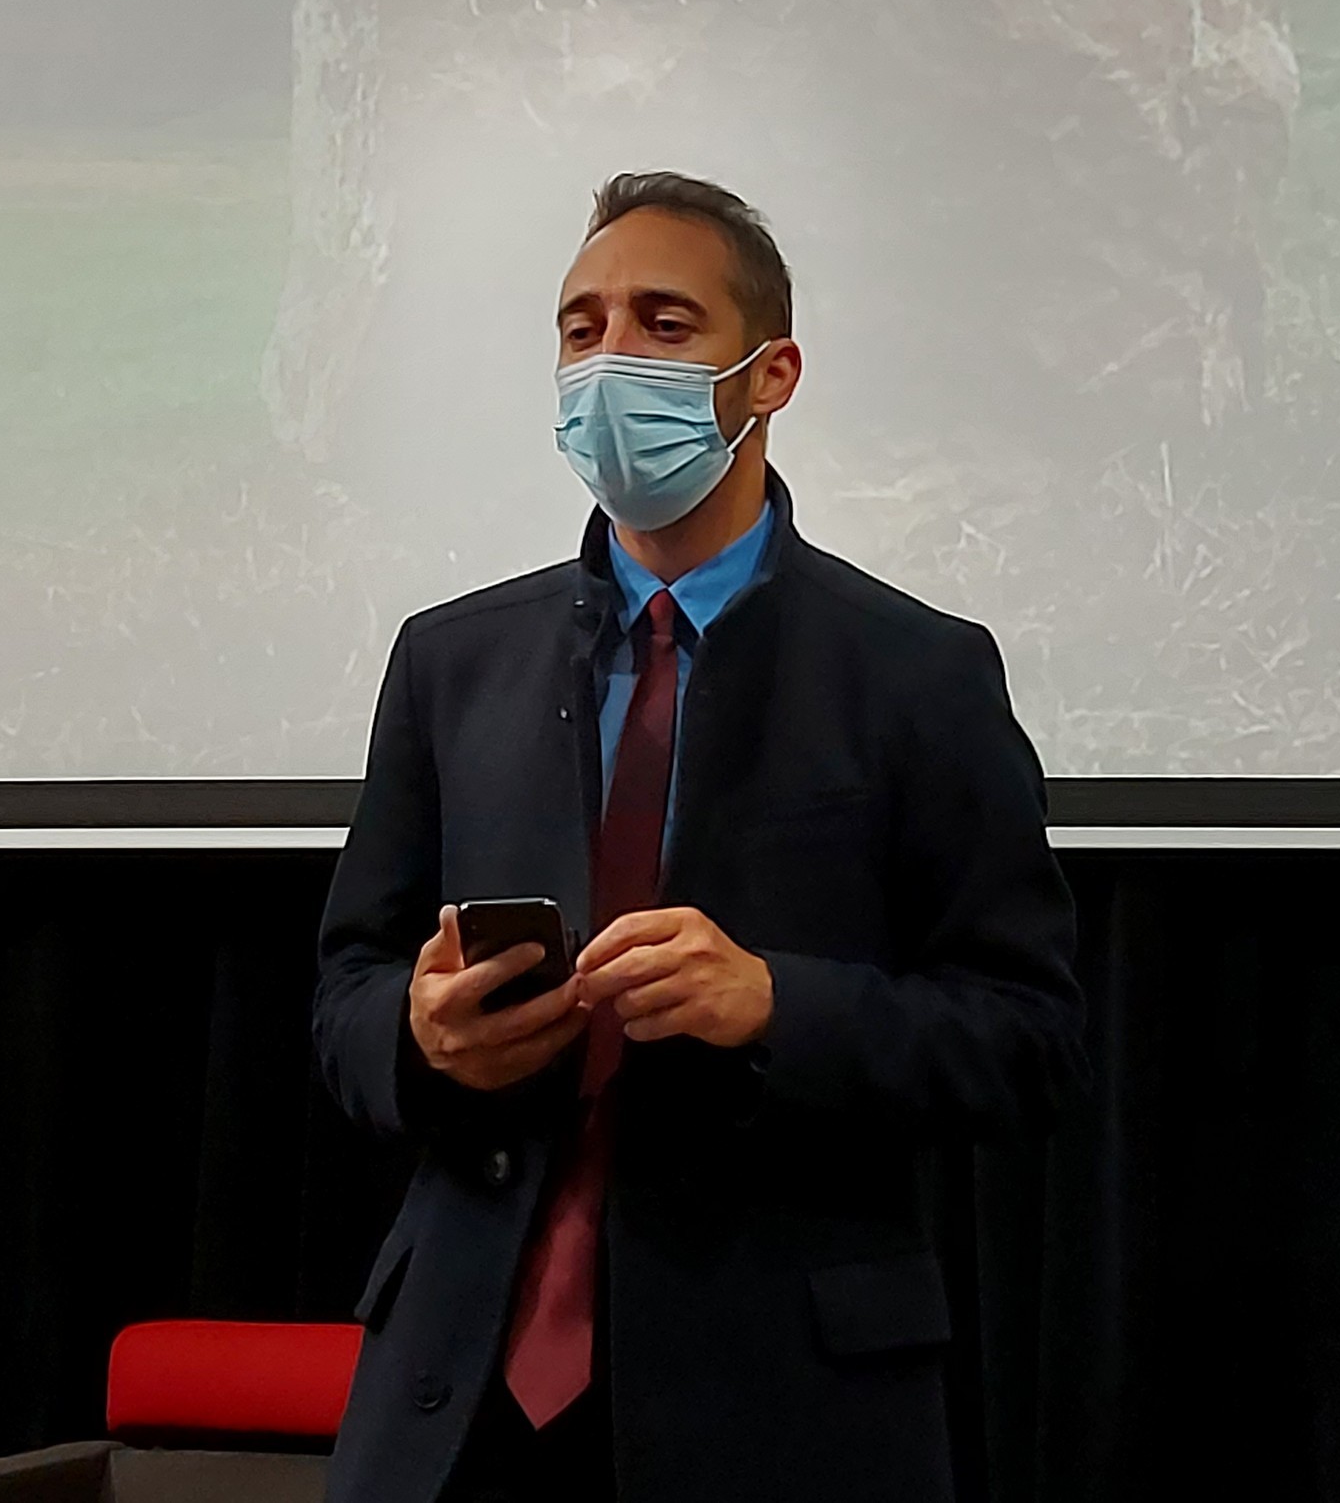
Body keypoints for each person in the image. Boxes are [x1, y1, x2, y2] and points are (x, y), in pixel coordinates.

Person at [313, 170, 1087, 1503]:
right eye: (580, 326)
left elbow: (1028, 1038)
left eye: (664, 325)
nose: (609, 359)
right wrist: (421, 1035)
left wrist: (777, 1002)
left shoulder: (917, 674)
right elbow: (345, 992)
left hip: (784, 1402)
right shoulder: (453, 661)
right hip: (457, 1399)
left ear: (769, 373)